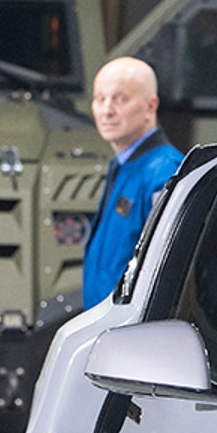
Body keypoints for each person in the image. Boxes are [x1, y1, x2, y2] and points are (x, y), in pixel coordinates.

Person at [82, 56, 184, 309]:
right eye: (100, 99)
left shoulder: (163, 172)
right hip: (105, 321)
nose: (107, 111)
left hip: (131, 325)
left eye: (120, 99)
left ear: (151, 106)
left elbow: (168, 268)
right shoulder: (124, 165)